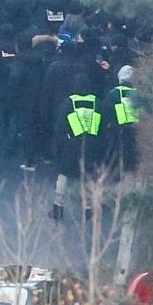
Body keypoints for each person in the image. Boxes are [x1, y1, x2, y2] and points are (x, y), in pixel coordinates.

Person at [51, 76, 104, 222]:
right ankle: (88, 209)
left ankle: (58, 207)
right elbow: (103, 127)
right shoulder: (97, 103)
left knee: (63, 175)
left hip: (72, 145)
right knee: (88, 176)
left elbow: (60, 128)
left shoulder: (69, 103)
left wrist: (60, 148)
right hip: (91, 145)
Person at [102, 64, 140, 187]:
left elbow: (106, 115)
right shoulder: (139, 95)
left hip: (116, 136)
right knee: (131, 167)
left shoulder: (113, 94)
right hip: (136, 136)